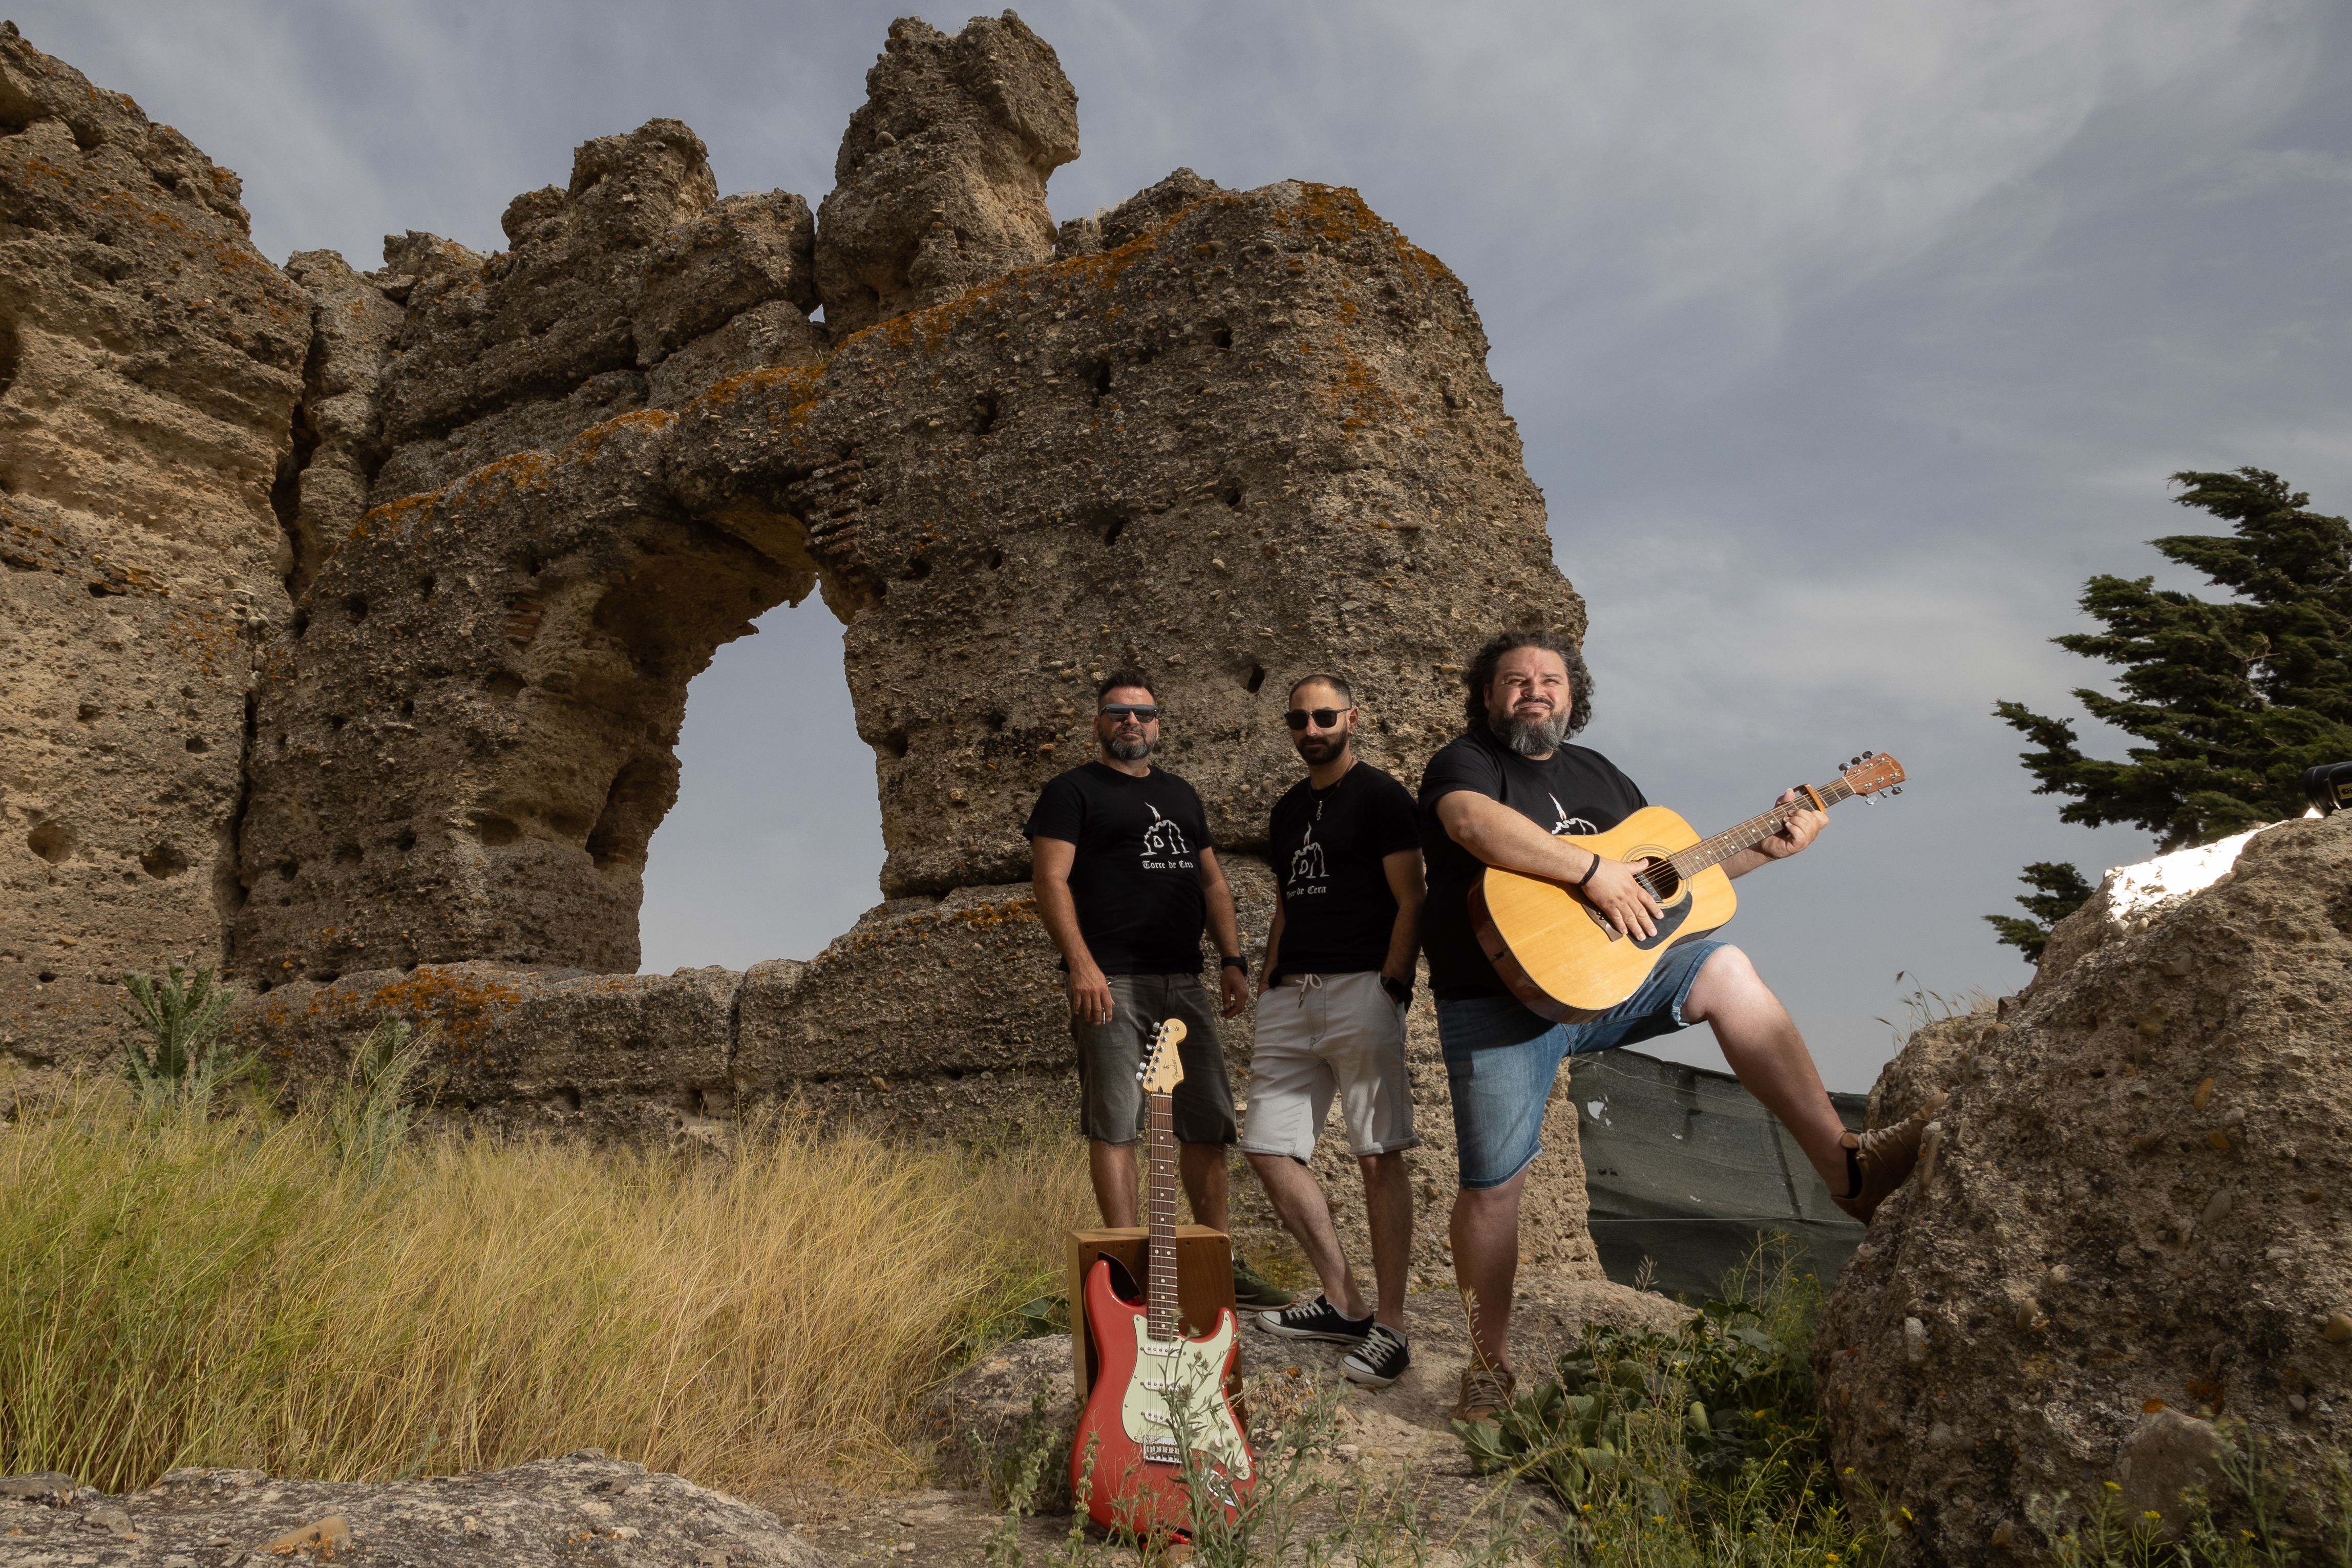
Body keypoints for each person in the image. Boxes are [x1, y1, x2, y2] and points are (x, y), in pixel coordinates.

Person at [1419, 629, 1943, 1422]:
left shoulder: (1599, 774)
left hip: (1602, 988)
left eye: (1551, 679)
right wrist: (1593, 871)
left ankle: (1849, 1168)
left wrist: (1769, 848)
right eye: (1515, 679)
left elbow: (1672, 872)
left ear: (1573, 694)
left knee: (1724, 966)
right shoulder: (1467, 762)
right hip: (1499, 999)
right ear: (1487, 696)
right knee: (1495, 1187)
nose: (1534, 690)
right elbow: (1471, 826)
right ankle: (1487, 1368)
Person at [1026, 667, 1294, 1310]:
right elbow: (1050, 881)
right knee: (1117, 1122)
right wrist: (1082, 967)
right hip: (1111, 979)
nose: (1131, 723)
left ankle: (1216, 1257)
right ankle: (1126, 1265)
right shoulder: (1071, 792)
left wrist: (1231, 956)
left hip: (1183, 978)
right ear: (1098, 722)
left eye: (1143, 714)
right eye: (1118, 712)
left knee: (1206, 1122)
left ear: (1159, 723)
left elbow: (1211, 884)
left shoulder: (1180, 793)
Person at [1240, 674, 1425, 1388]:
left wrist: (1393, 986)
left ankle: (1394, 1325)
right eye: (1299, 718)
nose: (1311, 728)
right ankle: (1343, 1300)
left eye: (1324, 716)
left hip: (1360, 989)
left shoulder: (1381, 797)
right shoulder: (1288, 809)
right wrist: (1267, 982)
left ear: (1352, 716)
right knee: (1267, 1148)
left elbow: (1412, 896)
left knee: (1378, 1152)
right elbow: (1288, 900)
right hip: (1292, 994)